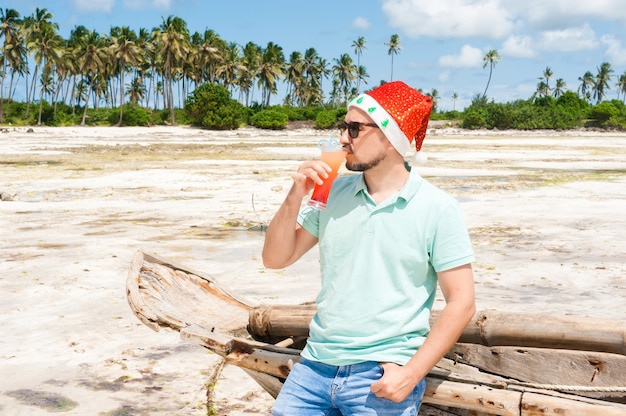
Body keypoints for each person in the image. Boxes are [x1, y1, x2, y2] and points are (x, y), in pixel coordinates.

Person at [262, 81, 476, 415]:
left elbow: (462, 303)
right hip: (314, 367)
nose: (342, 139)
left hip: (380, 375)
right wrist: (295, 194)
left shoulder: (438, 208)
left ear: (391, 139)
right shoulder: (332, 192)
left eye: (354, 128)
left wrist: (411, 374)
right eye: (342, 127)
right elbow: (275, 259)